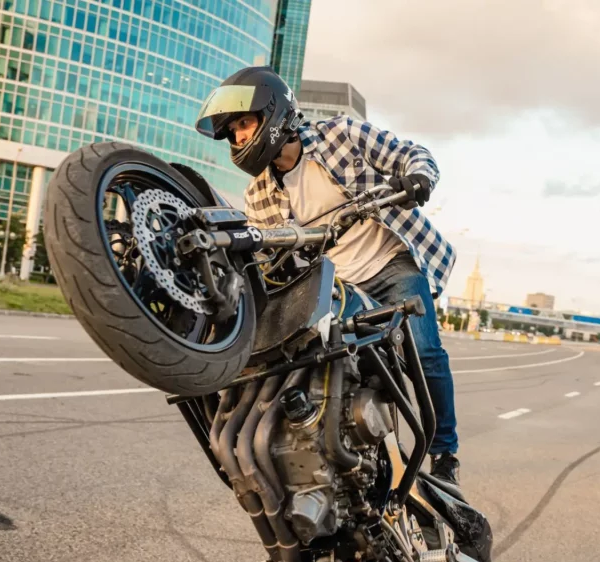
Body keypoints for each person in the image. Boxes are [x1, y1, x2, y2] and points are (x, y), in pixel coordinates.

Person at [195, 67, 461, 484]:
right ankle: (369, 459)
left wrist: (418, 177)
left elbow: (411, 152)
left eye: (243, 124)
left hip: (389, 263)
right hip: (338, 286)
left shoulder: (342, 134)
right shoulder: (258, 194)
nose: (239, 138)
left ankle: (445, 454)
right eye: (232, 133)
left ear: (273, 111)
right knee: (338, 368)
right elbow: (269, 260)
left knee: (425, 354)